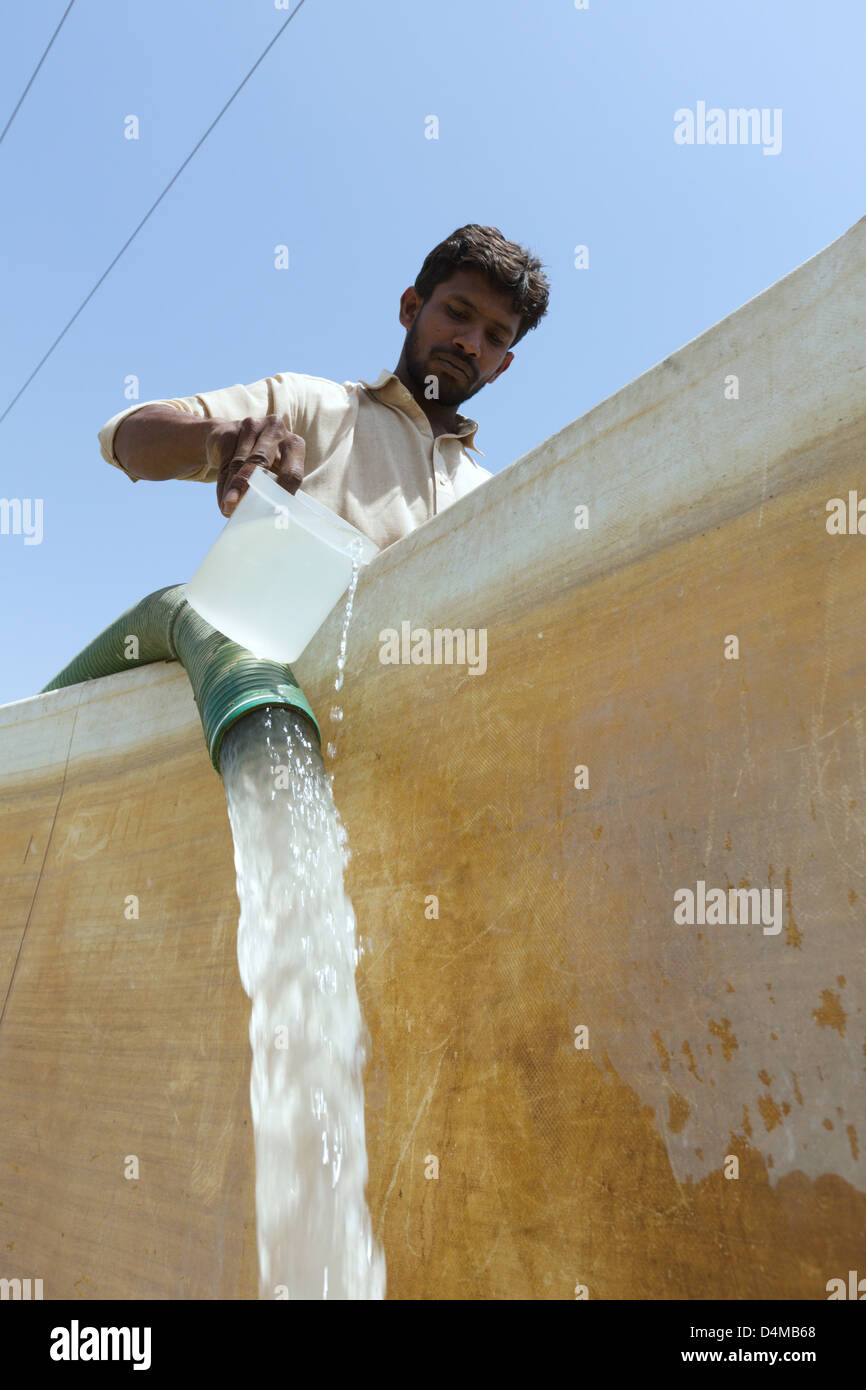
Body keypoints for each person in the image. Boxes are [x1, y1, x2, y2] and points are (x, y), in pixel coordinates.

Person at [98, 224, 550, 553]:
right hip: (274, 682)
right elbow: (125, 436)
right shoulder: (310, 405)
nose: (469, 343)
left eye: (494, 337)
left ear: (502, 367)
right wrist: (216, 439)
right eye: (458, 311)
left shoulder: (493, 497)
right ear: (411, 308)